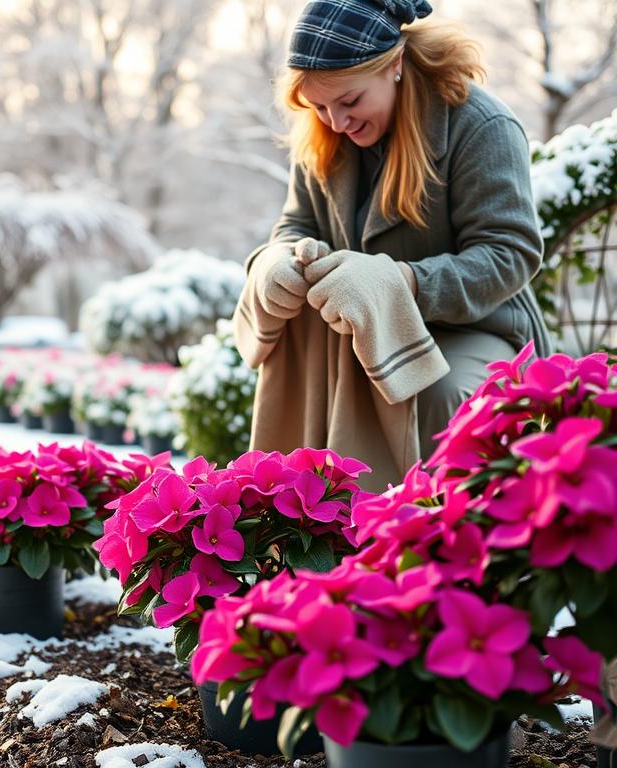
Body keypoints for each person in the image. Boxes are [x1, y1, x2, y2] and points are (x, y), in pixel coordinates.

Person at [233, 0, 552, 487]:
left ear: (395, 63)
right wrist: (276, 262)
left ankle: (438, 547)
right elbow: (296, 225)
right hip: (358, 332)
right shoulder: (323, 132)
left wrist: (402, 282)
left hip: (475, 327)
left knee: (435, 392)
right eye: (319, 107)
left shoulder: (480, 126)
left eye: (350, 102)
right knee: (295, 377)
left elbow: (509, 255)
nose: (336, 122)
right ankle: (319, 542)